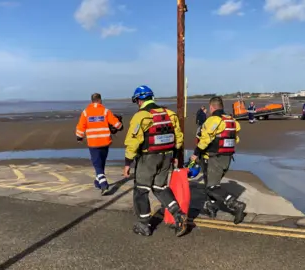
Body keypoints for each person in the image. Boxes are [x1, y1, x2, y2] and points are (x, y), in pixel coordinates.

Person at [123, 85, 188, 237]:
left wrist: (127, 163)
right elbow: (179, 139)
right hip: (167, 156)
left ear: (139, 100)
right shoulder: (170, 114)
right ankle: (179, 215)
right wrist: (176, 157)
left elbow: (133, 142)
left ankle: (143, 225)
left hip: (148, 158)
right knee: (160, 187)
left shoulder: (141, 116)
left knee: (141, 190)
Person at [190, 96, 247, 224]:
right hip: (227, 158)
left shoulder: (213, 121)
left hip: (214, 158)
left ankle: (235, 205)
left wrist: (195, 154)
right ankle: (212, 208)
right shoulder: (231, 120)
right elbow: (235, 139)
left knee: (211, 187)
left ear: (211, 107)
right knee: (213, 183)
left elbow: (205, 140)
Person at [76, 93, 123, 195]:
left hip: (93, 142)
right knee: (101, 163)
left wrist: (79, 137)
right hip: (105, 142)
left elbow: (80, 126)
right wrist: (120, 126)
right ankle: (97, 182)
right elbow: (117, 125)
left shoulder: (86, 112)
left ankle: (104, 184)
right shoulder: (105, 111)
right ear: (100, 100)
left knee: (97, 164)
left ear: (91, 101)